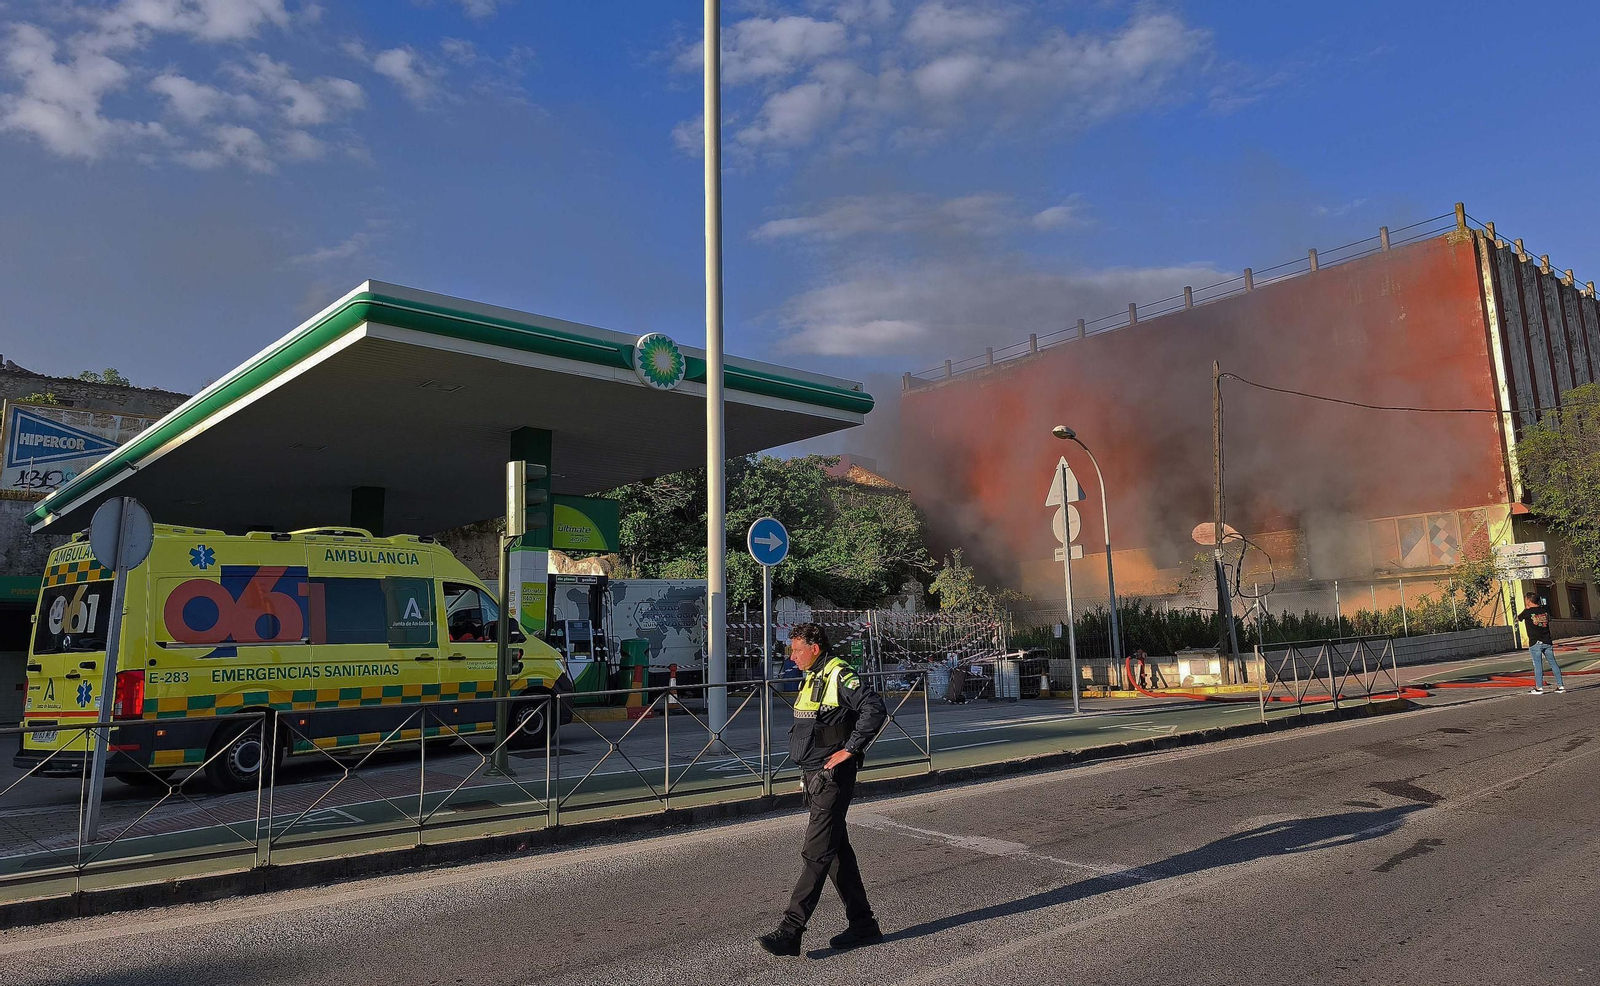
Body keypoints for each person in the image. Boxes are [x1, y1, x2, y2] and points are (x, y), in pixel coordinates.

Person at [758, 622, 888, 957]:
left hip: (833, 777)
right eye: (792, 650)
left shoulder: (837, 673)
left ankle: (790, 931)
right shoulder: (813, 674)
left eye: (797, 650)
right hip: (816, 776)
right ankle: (863, 924)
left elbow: (874, 709)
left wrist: (851, 749)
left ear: (815, 648)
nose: (792, 656)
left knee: (816, 853)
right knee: (836, 852)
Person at [1516, 591, 1564, 695]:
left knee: (1537, 665)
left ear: (1528, 601)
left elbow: (1518, 618)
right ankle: (1561, 686)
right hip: (1547, 640)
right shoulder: (1545, 611)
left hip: (1535, 642)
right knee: (1553, 663)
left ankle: (1539, 688)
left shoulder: (1527, 612)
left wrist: (1526, 609)